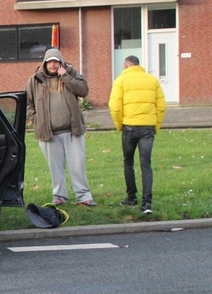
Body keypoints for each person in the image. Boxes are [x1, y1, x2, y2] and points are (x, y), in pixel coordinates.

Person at [24, 48, 97, 207]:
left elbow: (83, 90)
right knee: (55, 167)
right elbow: (28, 103)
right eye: (50, 62)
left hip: (72, 131)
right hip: (48, 133)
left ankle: (83, 196)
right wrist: (36, 119)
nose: (53, 65)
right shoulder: (34, 80)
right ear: (45, 63)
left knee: (77, 165)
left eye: (56, 61)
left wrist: (65, 76)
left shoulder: (71, 73)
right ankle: (59, 196)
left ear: (61, 62)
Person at [108, 55, 166, 215]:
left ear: (126, 66)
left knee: (128, 162)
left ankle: (131, 197)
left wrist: (119, 124)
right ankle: (147, 203)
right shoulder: (152, 80)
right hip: (147, 127)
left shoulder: (120, 81)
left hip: (129, 126)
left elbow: (115, 105)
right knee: (146, 164)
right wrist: (156, 125)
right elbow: (161, 105)